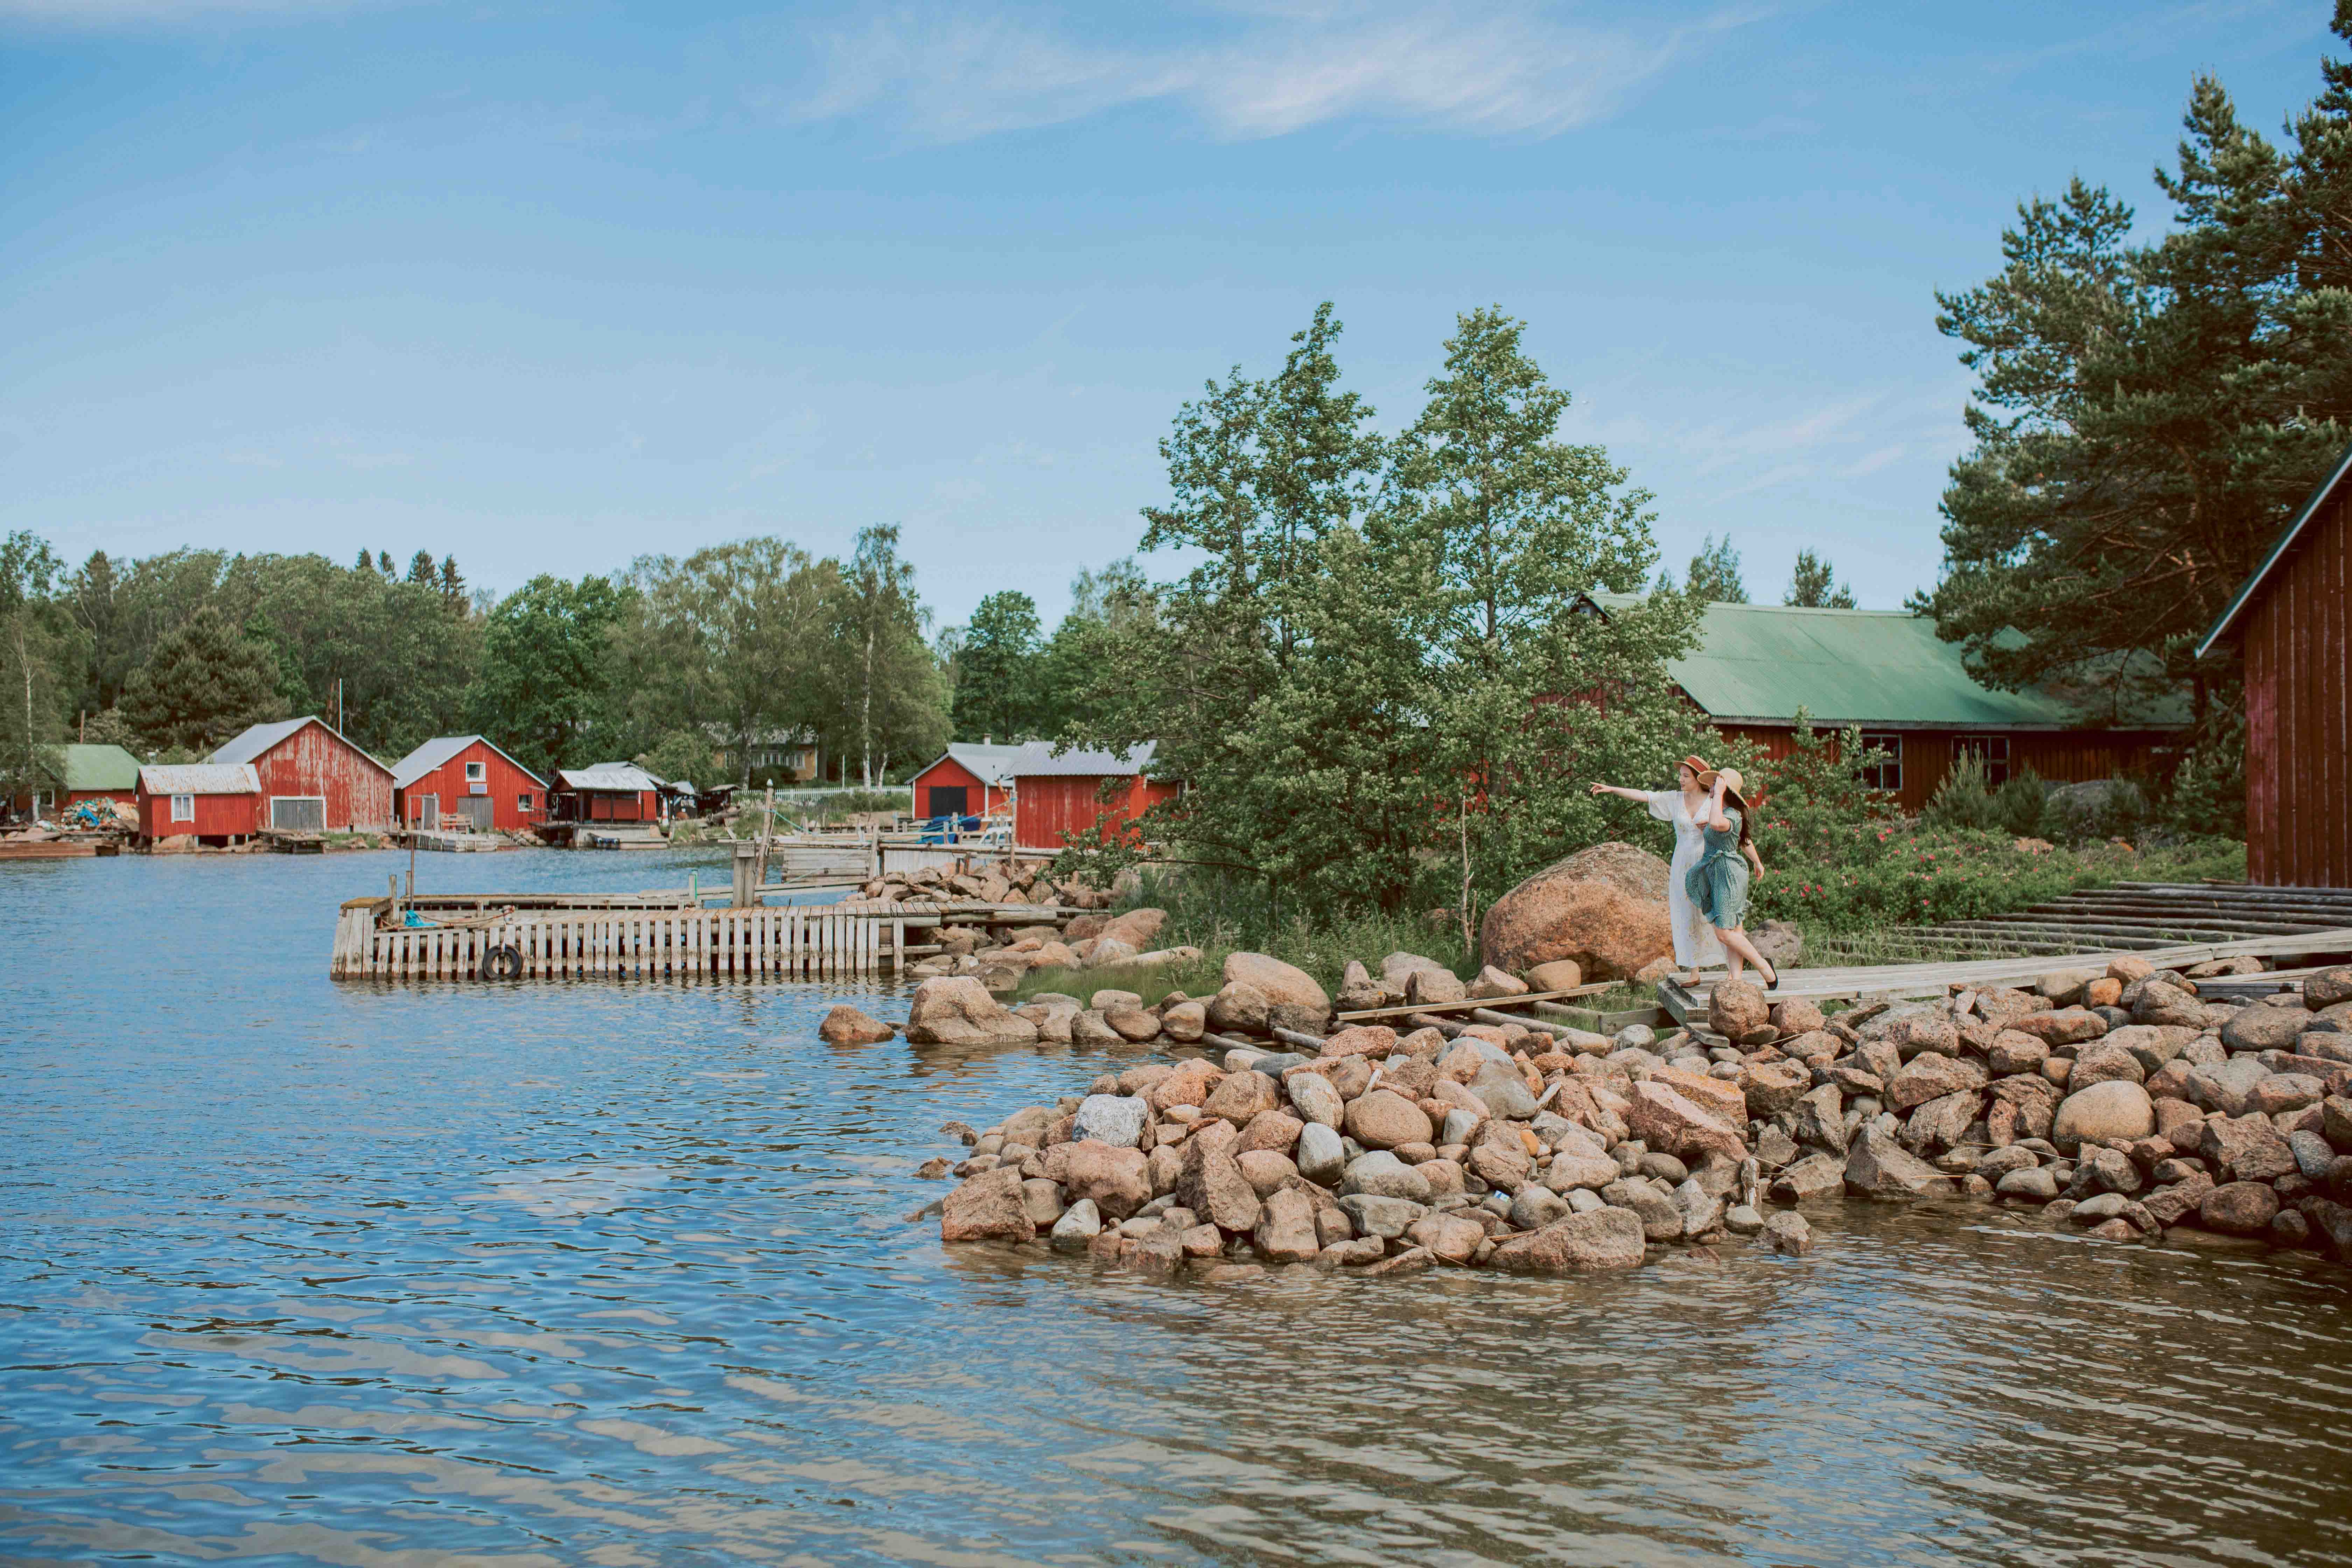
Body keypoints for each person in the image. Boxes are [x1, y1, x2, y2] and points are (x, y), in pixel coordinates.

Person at [1589, 757, 1765, 981]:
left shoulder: (1714, 800)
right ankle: (1693, 971)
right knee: (1686, 915)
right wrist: (1612, 789)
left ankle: (1734, 973)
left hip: (1711, 866)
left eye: (1685, 776)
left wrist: (1757, 862)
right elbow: (1645, 795)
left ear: (1697, 779)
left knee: (1720, 916)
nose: (1680, 779)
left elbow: (1741, 837)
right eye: (1680, 775)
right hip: (1683, 865)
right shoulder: (1674, 800)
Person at [1687, 766, 1778, 988]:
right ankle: (1736, 981)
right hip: (1720, 873)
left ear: (1724, 789)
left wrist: (1717, 796)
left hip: (1728, 874)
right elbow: (1741, 840)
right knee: (1735, 928)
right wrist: (1757, 862)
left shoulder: (1731, 815)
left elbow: (1720, 825)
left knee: (1724, 932)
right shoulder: (1723, 812)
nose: (1711, 787)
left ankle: (1766, 969)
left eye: (1716, 784)